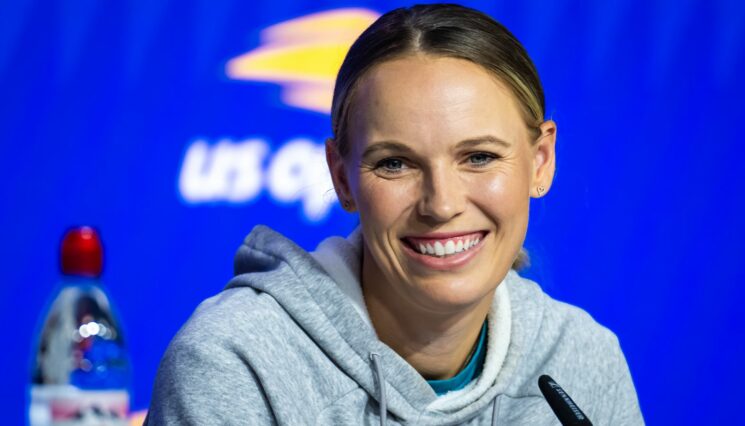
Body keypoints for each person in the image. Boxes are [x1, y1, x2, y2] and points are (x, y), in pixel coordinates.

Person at [146, 4, 644, 425]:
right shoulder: (233, 362)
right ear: (342, 178)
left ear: (541, 163)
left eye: (479, 157)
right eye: (395, 163)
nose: (442, 204)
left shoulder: (583, 356)